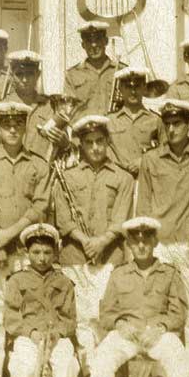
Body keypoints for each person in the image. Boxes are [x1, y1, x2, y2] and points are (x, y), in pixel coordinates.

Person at [76, 216, 189, 377]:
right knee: (101, 359)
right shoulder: (118, 274)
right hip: (126, 334)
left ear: (154, 242)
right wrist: (120, 324)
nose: (141, 246)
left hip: (158, 334)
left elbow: (179, 312)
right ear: (129, 245)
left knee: (179, 359)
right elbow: (106, 313)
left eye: (146, 240)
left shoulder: (170, 273)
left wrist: (162, 326)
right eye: (135, 242)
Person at [136, 99, 189, 377]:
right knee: (159, 309)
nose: (171, 129)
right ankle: (163, 373)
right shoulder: (150, 159)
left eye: (177, 124)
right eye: (168, 124)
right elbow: (144, 205)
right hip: (160, 246)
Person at [0, 101, 49, 377]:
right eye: (6, 124)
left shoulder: (39, 164)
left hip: (24, 250)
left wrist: (9, 235)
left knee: (26, 309)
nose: (13, 130)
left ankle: (25, 376)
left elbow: (39, 207)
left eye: (18, 124)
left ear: (26, 127)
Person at [54, 115, 133, 359]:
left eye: (100, 141)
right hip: (75, 257)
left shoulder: (123, 177)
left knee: (104, 317)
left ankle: (104, 370)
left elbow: (121, 218)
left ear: (108, 141)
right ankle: (86, 374)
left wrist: (101, 241)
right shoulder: (66, 176)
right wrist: (85, 241)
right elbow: (63, 219)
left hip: (109, 258)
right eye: (89, 142)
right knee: (81, 319)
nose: (96, 147)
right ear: (81, 145)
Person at [4, 223, 79, 377]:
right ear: (26, 253)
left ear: (55, 252)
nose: (42, 258)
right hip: (28, 336)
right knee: (21, 365)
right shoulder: (16, 281)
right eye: (36, 252)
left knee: (68, 361)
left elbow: (70, 319)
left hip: (56, 336)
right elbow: (10, 317)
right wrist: (32, 332)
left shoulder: (64, 282)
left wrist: (57, 333)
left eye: (47, 252)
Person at [106, 66, 164, 175]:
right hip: (117, 179)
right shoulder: (109, 121)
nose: (133, 92)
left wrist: (144, 161)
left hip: (146, 177)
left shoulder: (155, 120)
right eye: (128, 87)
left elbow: (165, 150)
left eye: (137, 87)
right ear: (120, 89)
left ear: (144, 88)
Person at [64, 22, 125, 118]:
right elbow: (68, 111)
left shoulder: (121, 71)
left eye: (98, 39)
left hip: (115, 130)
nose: (93, 45)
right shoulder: (72, 74)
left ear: (105, 41)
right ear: (83, 45)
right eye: (88, 41)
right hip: (85, 130)